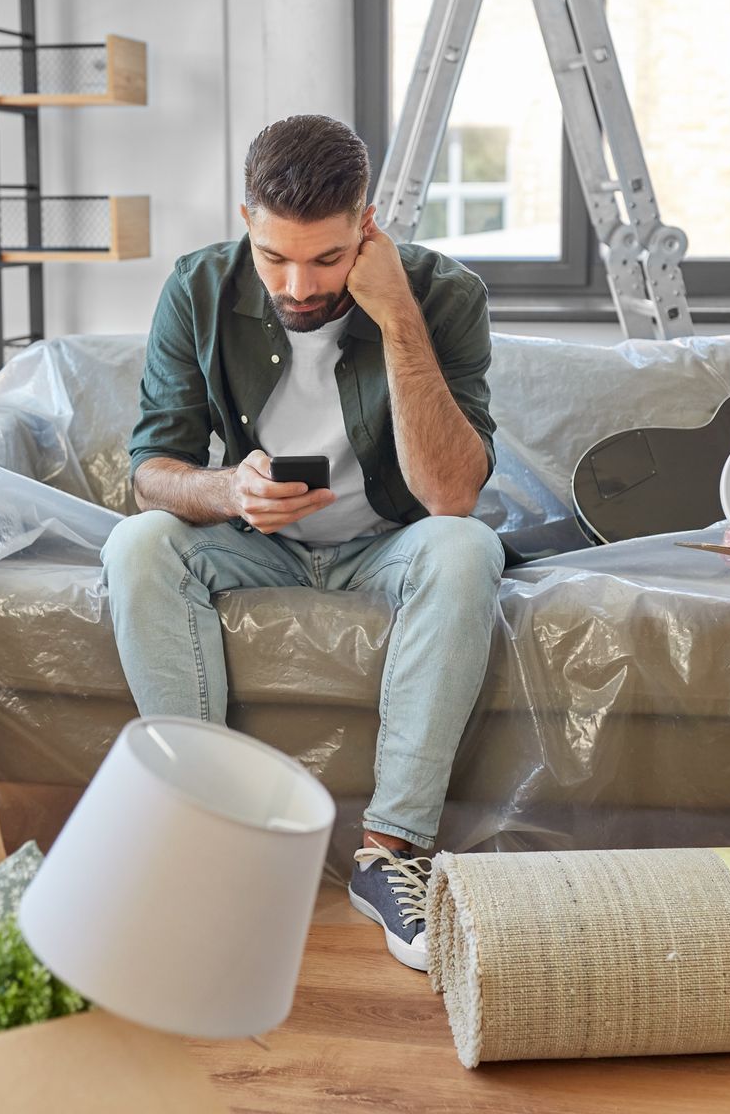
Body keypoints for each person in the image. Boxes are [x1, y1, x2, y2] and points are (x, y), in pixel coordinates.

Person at [101, 114, 504, 970]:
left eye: (326, 259)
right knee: (137, 546)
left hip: (389, 545)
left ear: (365, 227)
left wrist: (395, 318)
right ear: (246, 218)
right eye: (276, 256)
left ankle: (391, 855)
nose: (298, 284)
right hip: (258, 544)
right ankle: (203, 836)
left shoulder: (444, 295)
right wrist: (225, 489)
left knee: (466, 549)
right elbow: (150, 470)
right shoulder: (197, 287)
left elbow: (452, 496)